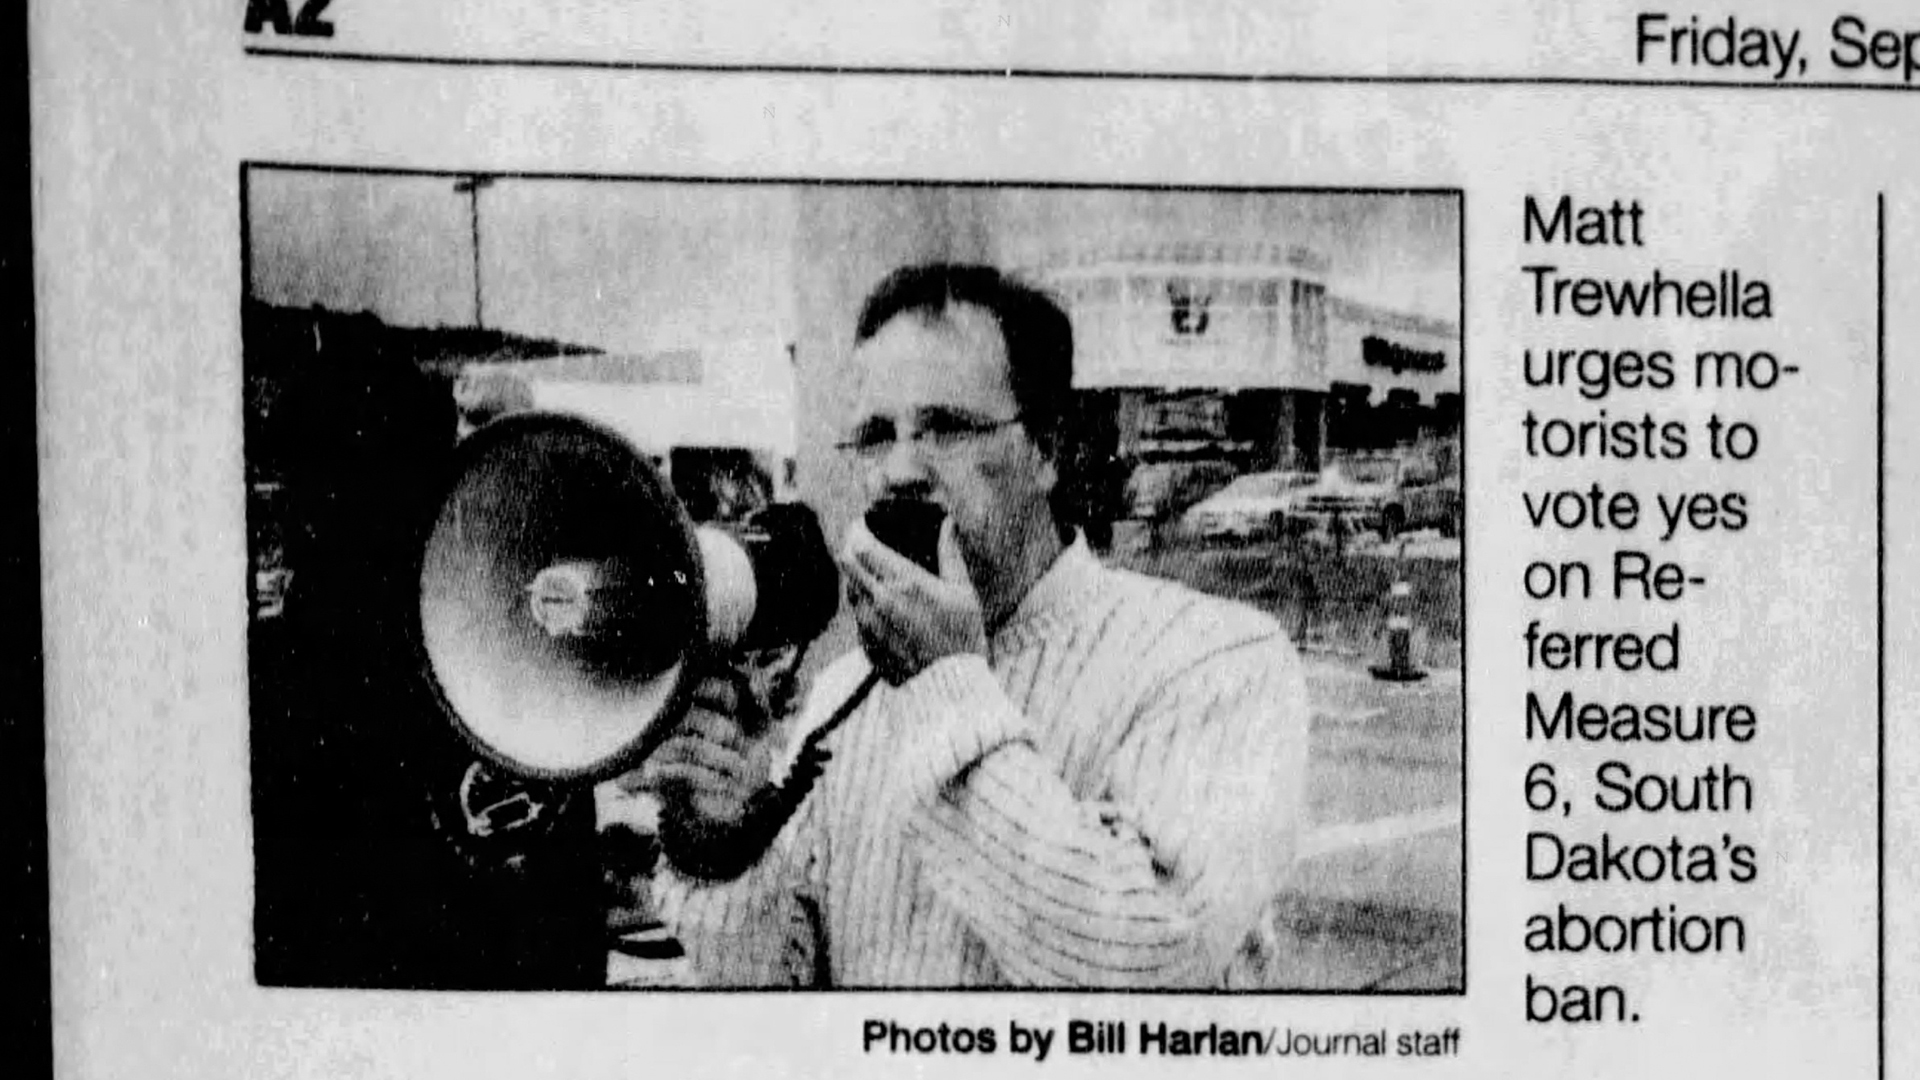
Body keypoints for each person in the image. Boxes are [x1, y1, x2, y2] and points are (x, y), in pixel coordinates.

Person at [641, 263, 1311, 988]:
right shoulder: (845, 694)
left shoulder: (1214, 661)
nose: (900, 469)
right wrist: (727, 837)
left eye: (946, 428)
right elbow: (774, 994)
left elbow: (1145, 960)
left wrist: (945, 686)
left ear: (1046, 450)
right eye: (874, 435)